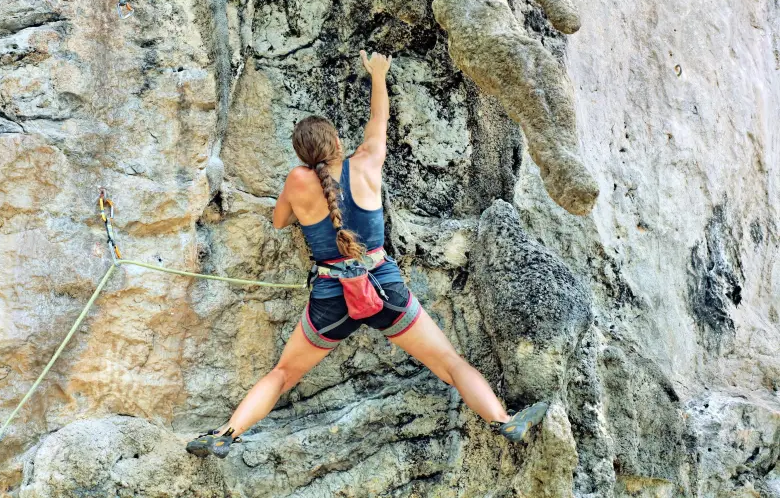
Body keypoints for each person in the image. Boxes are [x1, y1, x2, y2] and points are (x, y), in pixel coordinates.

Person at [186, 51, 548, 458]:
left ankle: (226, 434)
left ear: (302, 155)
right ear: (337, 143)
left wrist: (305, 203)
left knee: (283, 374)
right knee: (448, 362)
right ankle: (504, 420)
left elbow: (279, 222)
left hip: (330, 297)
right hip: (382, 286)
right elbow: (379, 121)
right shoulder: (366, 163)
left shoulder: (296, 180)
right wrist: (378, 74)